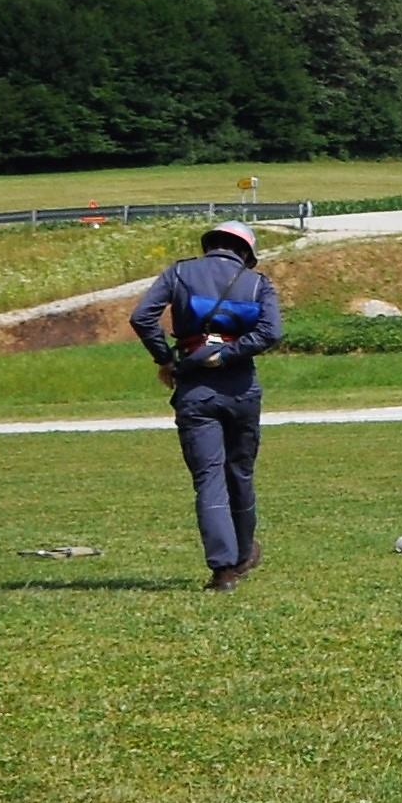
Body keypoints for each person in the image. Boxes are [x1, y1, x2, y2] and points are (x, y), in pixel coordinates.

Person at [128, 220, 282, 589]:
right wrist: (228, 353)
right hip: (242, 387)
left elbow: (142, 317)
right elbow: (271, 332)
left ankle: (223, 571)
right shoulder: (258, 283)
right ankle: (243, 554)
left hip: (194, 387)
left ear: (210, 244)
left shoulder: (179, 272)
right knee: (240, 473)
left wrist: (165, 359)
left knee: (209, 477)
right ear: (245, 252)